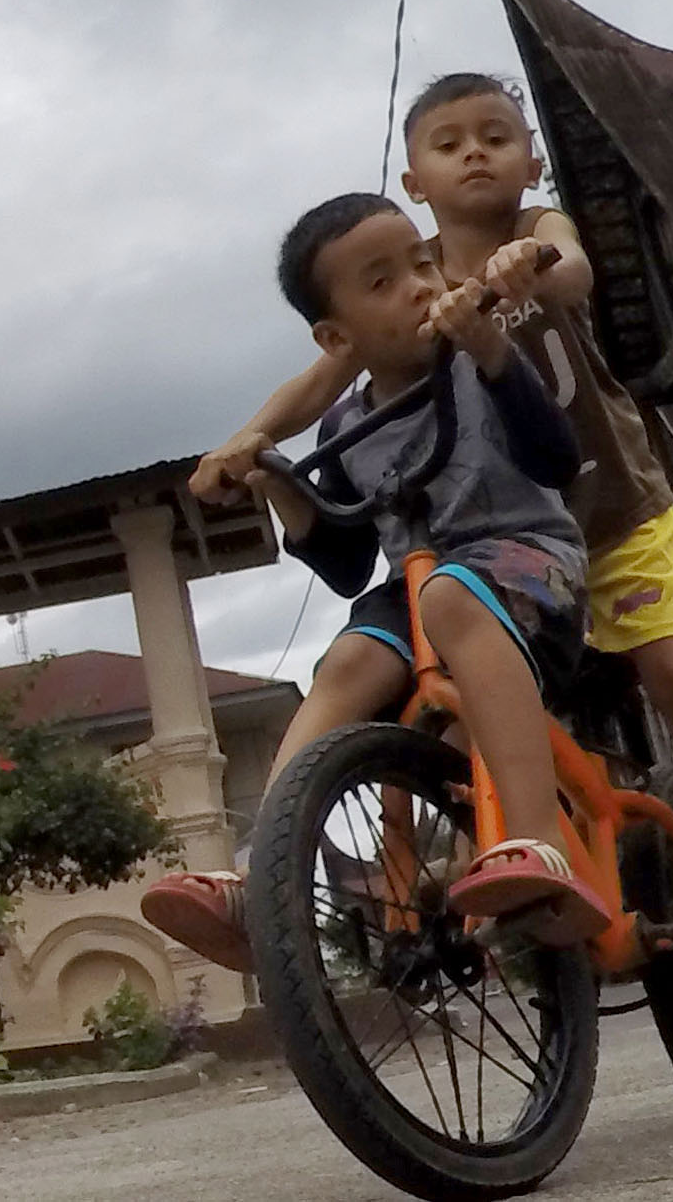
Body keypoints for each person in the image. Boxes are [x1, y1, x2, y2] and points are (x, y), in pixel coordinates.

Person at [185, 73, 673, 948]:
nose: (475, 151)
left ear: (532, 159)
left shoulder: (526, 235)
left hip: (607, 500)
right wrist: (251, 442)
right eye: (449, 142)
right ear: (415, 183)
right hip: (466, 542)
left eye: (496, 135)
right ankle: (271, 872)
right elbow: (327, 374)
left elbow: (574, 274)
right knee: (376, 659)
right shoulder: (407, 278)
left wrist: (528, 269)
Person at [140, 192, 605, 972]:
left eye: (423, 264)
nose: (422, 285)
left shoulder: (480, 361)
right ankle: (261, 883)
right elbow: (350, 561)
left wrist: (491, 348)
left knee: (451, 594)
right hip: (421, 591)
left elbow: (556, 459)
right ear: (336, 337)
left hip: (529, 564)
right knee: (348, 660)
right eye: (384, 281)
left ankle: (538, 838)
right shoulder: (344, 424)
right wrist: (278, 481)